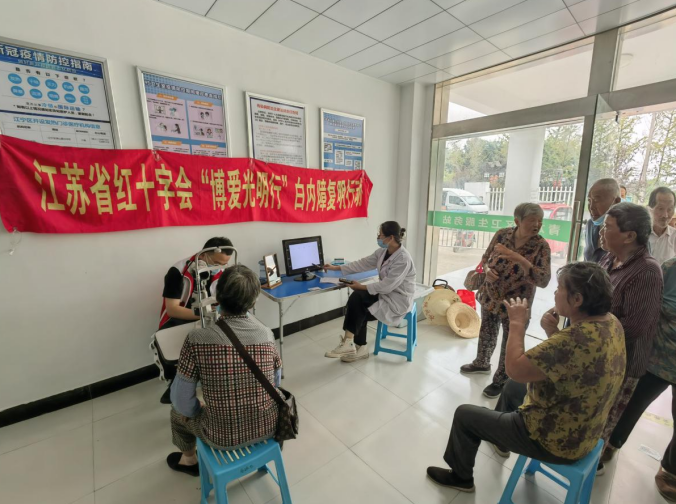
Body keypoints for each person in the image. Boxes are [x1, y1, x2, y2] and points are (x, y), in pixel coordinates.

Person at [427, 262, 626, 492]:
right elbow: (572, 361)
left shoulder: (574, 339)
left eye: (559, 288)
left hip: (556, 441)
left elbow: (515, 368)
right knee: (513, 387)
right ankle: (500, 440)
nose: (555, 293)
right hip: (587, 429)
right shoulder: (611, 322)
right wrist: (552, 331)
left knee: (465, 415)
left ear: (577, 299)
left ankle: (460, 477)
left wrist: (517, 323)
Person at [166, 265, 282, 477]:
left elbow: (181, 400)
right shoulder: (267, 334)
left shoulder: (197, 339)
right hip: (269, 427)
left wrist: (197, 410)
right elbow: (276, 383)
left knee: (176, 412)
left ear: (217, 297)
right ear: (254, 302)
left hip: (221, 437)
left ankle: (189, 460)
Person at [597, 202, 664, 471]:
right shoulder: (609, 257)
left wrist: (588, 330)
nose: (601, 231)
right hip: (599, 352)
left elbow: (634, 327)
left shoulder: (647, 271)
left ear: (629, 235)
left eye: (607, 227)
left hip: (621, 363)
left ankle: (593, 462)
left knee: (604, 418)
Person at [460, 203, 551, 399]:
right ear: (517, 221)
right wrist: (487, 271)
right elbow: (485, 258)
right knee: (487, 331)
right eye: (532, 220)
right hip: (490, 295)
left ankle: (502, 380)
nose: (537, 225)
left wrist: (518, 258)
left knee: (511, 342)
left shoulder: (541, 246)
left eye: (540, 221)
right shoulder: (502, 234)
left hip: (516, 304)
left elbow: (543, 280)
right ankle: (481, 363)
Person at [603, 257, 676, 500]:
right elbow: (649, 310)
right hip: (658, 357)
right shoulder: (669, 269)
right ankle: (612, 443)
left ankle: (671, 470)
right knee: (631, 403)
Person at [323, 221, 416, 363]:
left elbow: (387, 285)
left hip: (397, 300)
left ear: (391, 238)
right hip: (385, 293)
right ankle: (355, 345)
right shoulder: (382, 252)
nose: (378, 237)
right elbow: (362, 264)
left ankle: (353, 344)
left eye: (380, 235)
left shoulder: (403, 259)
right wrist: (336, 268)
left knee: (358, 301)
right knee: (358, 301)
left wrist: (361, 287)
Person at [157, 237, 234, 404]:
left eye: (224, 264)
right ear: (204, 255)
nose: (219, 268)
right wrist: (204, 315)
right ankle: (177, 385)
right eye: (216, 263)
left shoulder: (221, 271)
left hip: (210, 317)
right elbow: (172, 309)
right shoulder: (178, 272)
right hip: (180, 320)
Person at [585, 179, 621, 263]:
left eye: (596, 200)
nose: (591, 207)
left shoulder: (625, 231)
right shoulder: (590, 225)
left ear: (616, 201)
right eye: (589, 201)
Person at [648, 187, 676, 265]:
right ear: (649, 209)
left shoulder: (674, 236)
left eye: (670, 209)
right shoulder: (638, 235)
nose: (665, 215)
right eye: (660, 209)